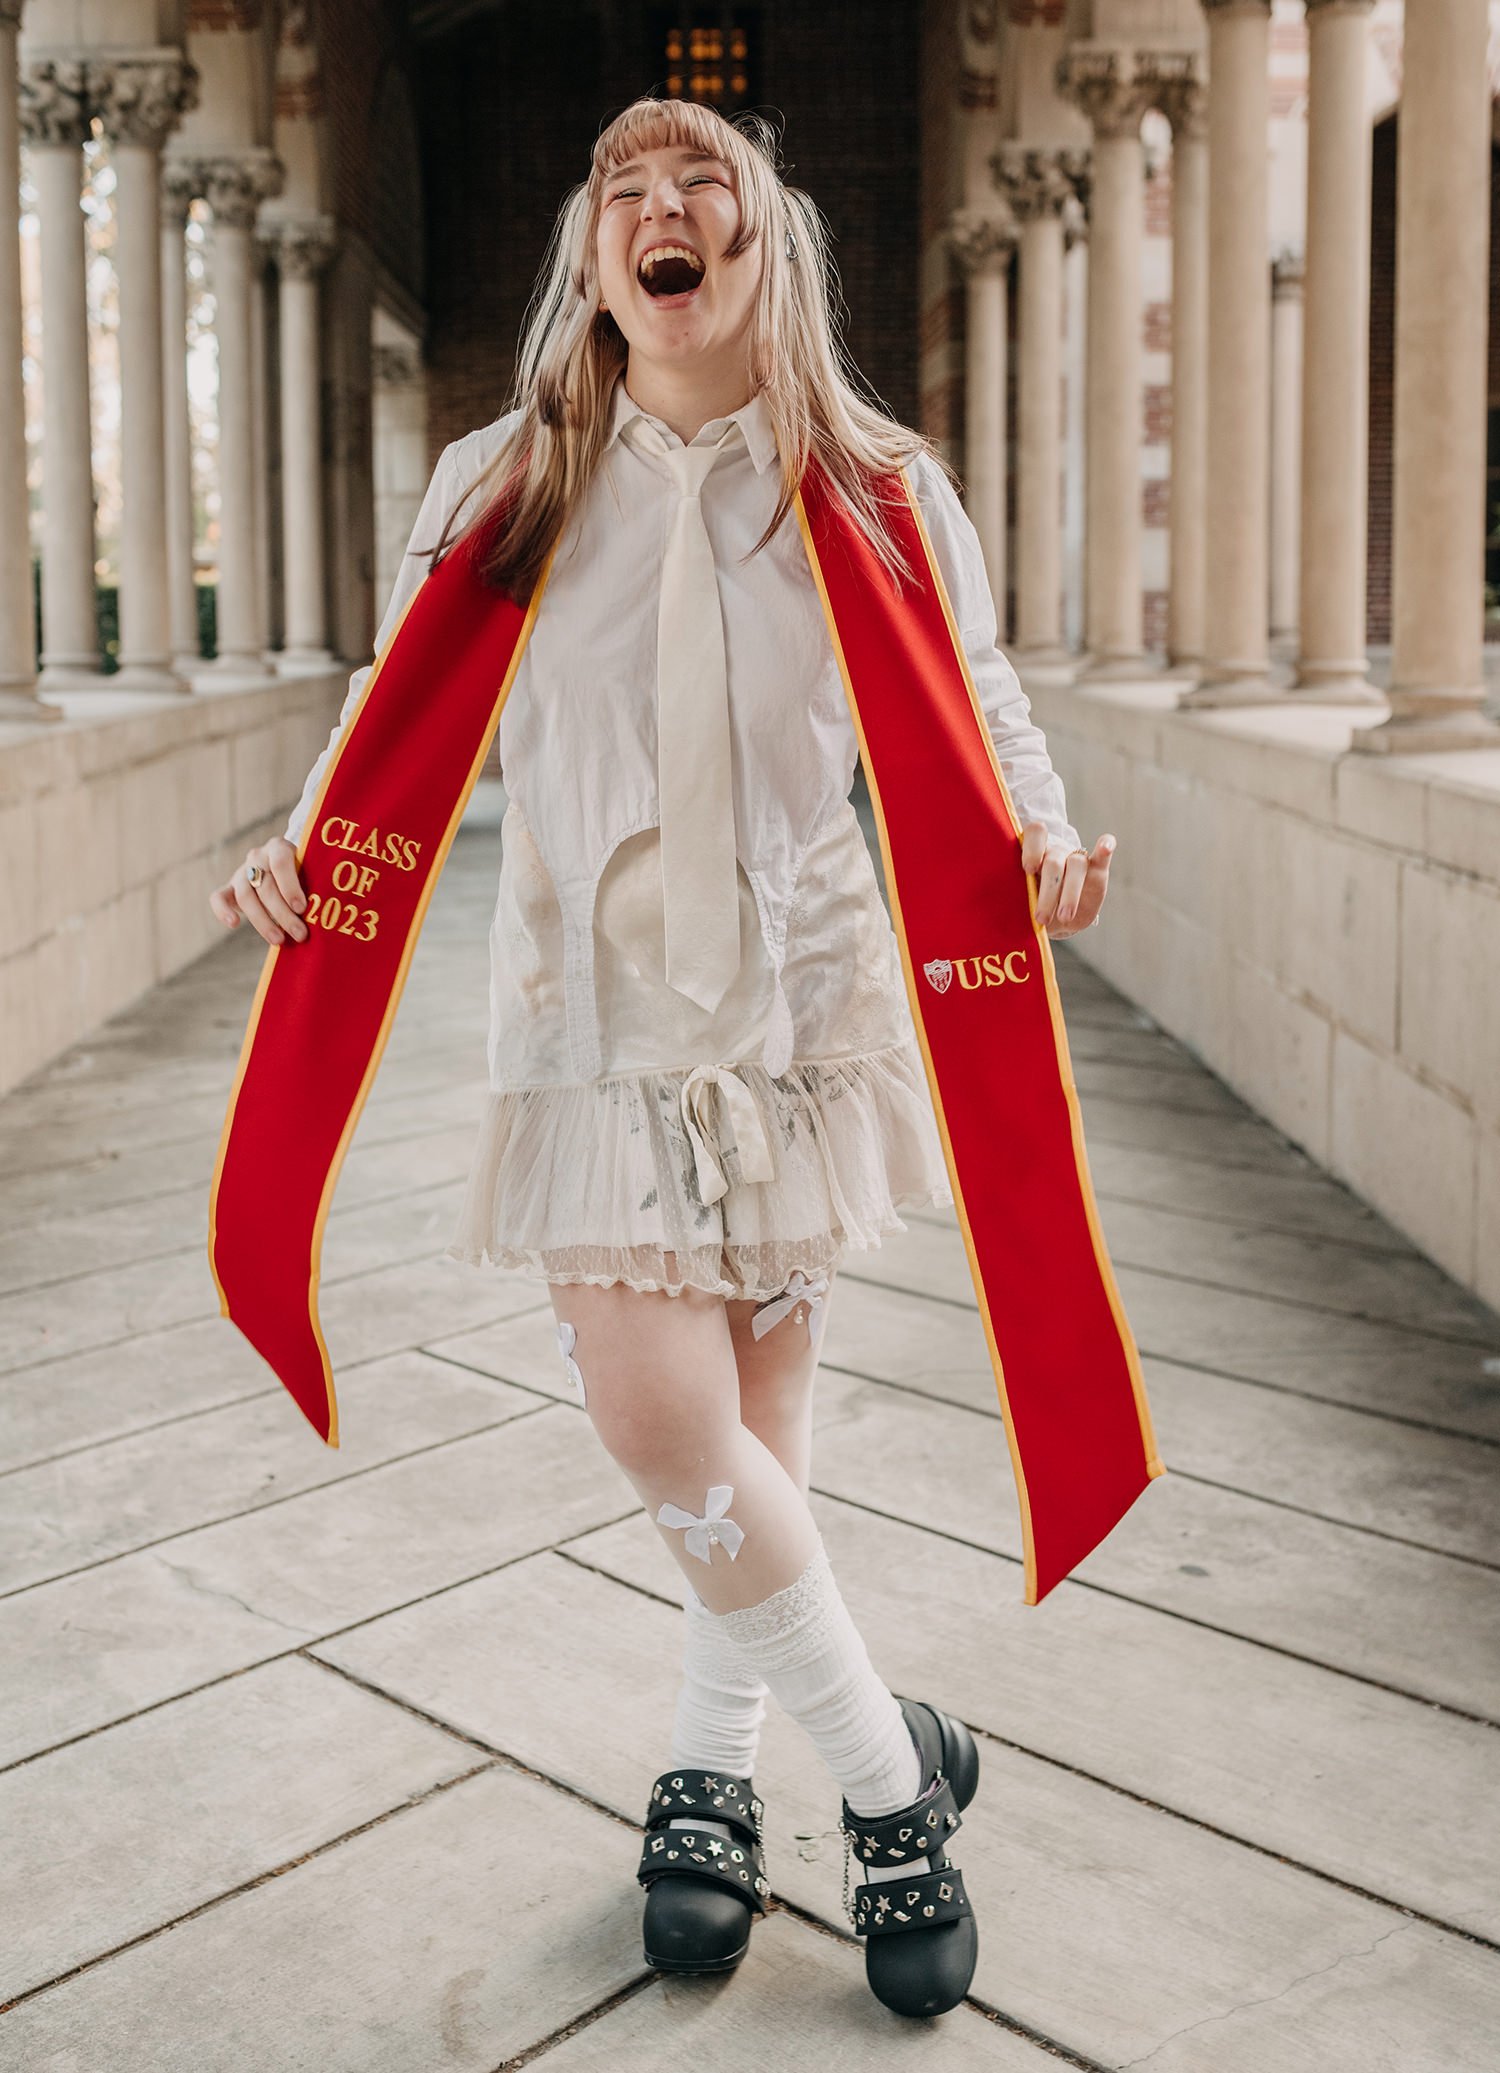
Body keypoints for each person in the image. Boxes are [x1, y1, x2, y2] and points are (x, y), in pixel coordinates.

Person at [208, 93, 1113, 2018]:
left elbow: (978, 692)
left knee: (752, 1439)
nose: (664, 206)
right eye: (626, 190)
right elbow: (394, 701)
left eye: (705, 183)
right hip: (592, 1033)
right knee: (668, 1429)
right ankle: (892, 1785)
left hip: (795, 1015)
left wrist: (1038, 836)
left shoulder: (867, 483)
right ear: (594, 258)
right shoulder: (502, 481)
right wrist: (305, 844)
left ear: (766, 243)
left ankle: (706, 1776)